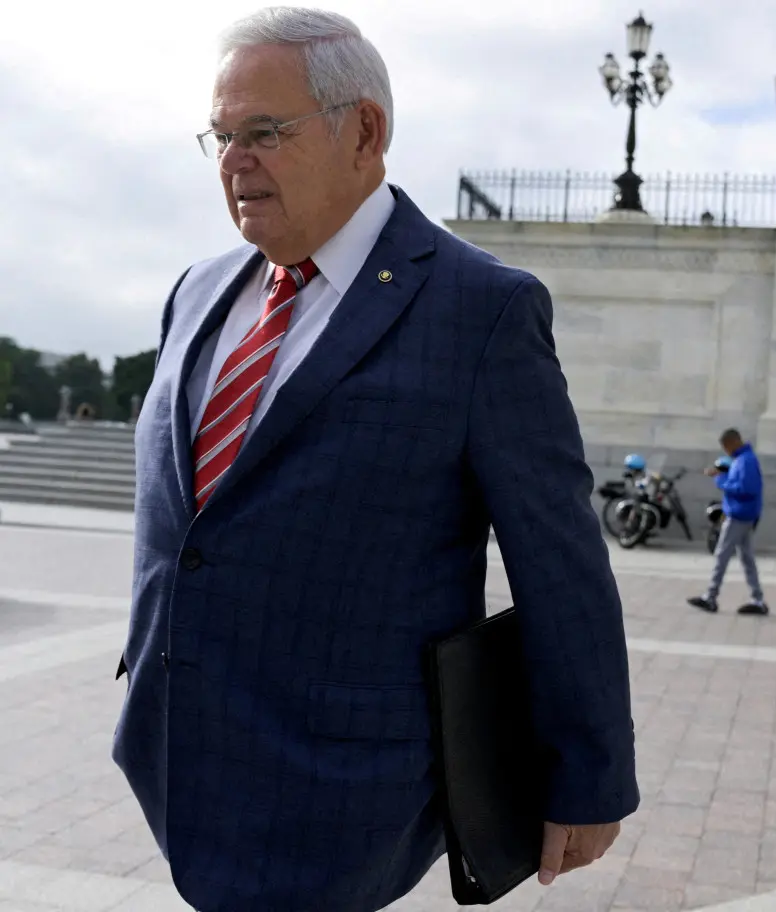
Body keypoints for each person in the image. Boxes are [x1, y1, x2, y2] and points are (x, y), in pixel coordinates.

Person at [110, 9, 638, 912]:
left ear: (365, 131)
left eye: (264, 132)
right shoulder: (196, 291)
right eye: (223, 136)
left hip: (344, 777)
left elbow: (559, 558)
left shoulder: (481, 312)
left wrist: (589, 772)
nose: (235, 159)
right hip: (176, 747)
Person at [688, 428, 768, 615]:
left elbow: (745, 488)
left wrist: (721, 480)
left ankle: (711, 596)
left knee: (722, 555)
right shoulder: (744, 460)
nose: (726, 451)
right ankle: (757, 599)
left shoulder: (745, 461)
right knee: (746, 558)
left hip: (739, 515)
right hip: (744, 514)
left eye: (726, 446)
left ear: (732, 442)